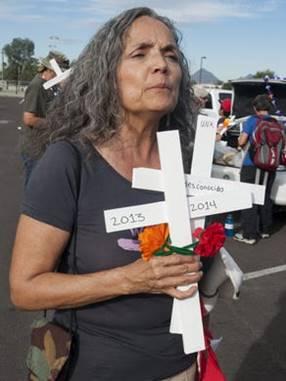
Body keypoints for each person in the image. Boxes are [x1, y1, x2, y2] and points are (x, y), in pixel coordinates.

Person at [10, 8, 203, 381]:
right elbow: (25, 289)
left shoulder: (188, 164)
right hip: (94, 368)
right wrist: (132, 278)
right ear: (107, 74)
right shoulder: (69, 161)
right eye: (140, 53)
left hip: (180, 368)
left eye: (171, 55)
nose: (161, 65)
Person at [21, 51, 70, 185]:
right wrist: (55, 124)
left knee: (43, 184)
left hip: (45, 145)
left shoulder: (49, 86)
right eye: (60, 70)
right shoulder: (37, 86)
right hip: (35, 148)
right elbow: (29, 119)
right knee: (34, 184)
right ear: (50, 69)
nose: (61, 74)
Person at [234, 94, 276, 244]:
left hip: (252, 165)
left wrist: (240, 143)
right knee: (265, 196)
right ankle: (265, 230)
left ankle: (249, 235)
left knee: (249, 198)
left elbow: (242, 141)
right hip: (271, 166)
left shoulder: (252, 121)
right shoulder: (276, 123)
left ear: (255, 107)